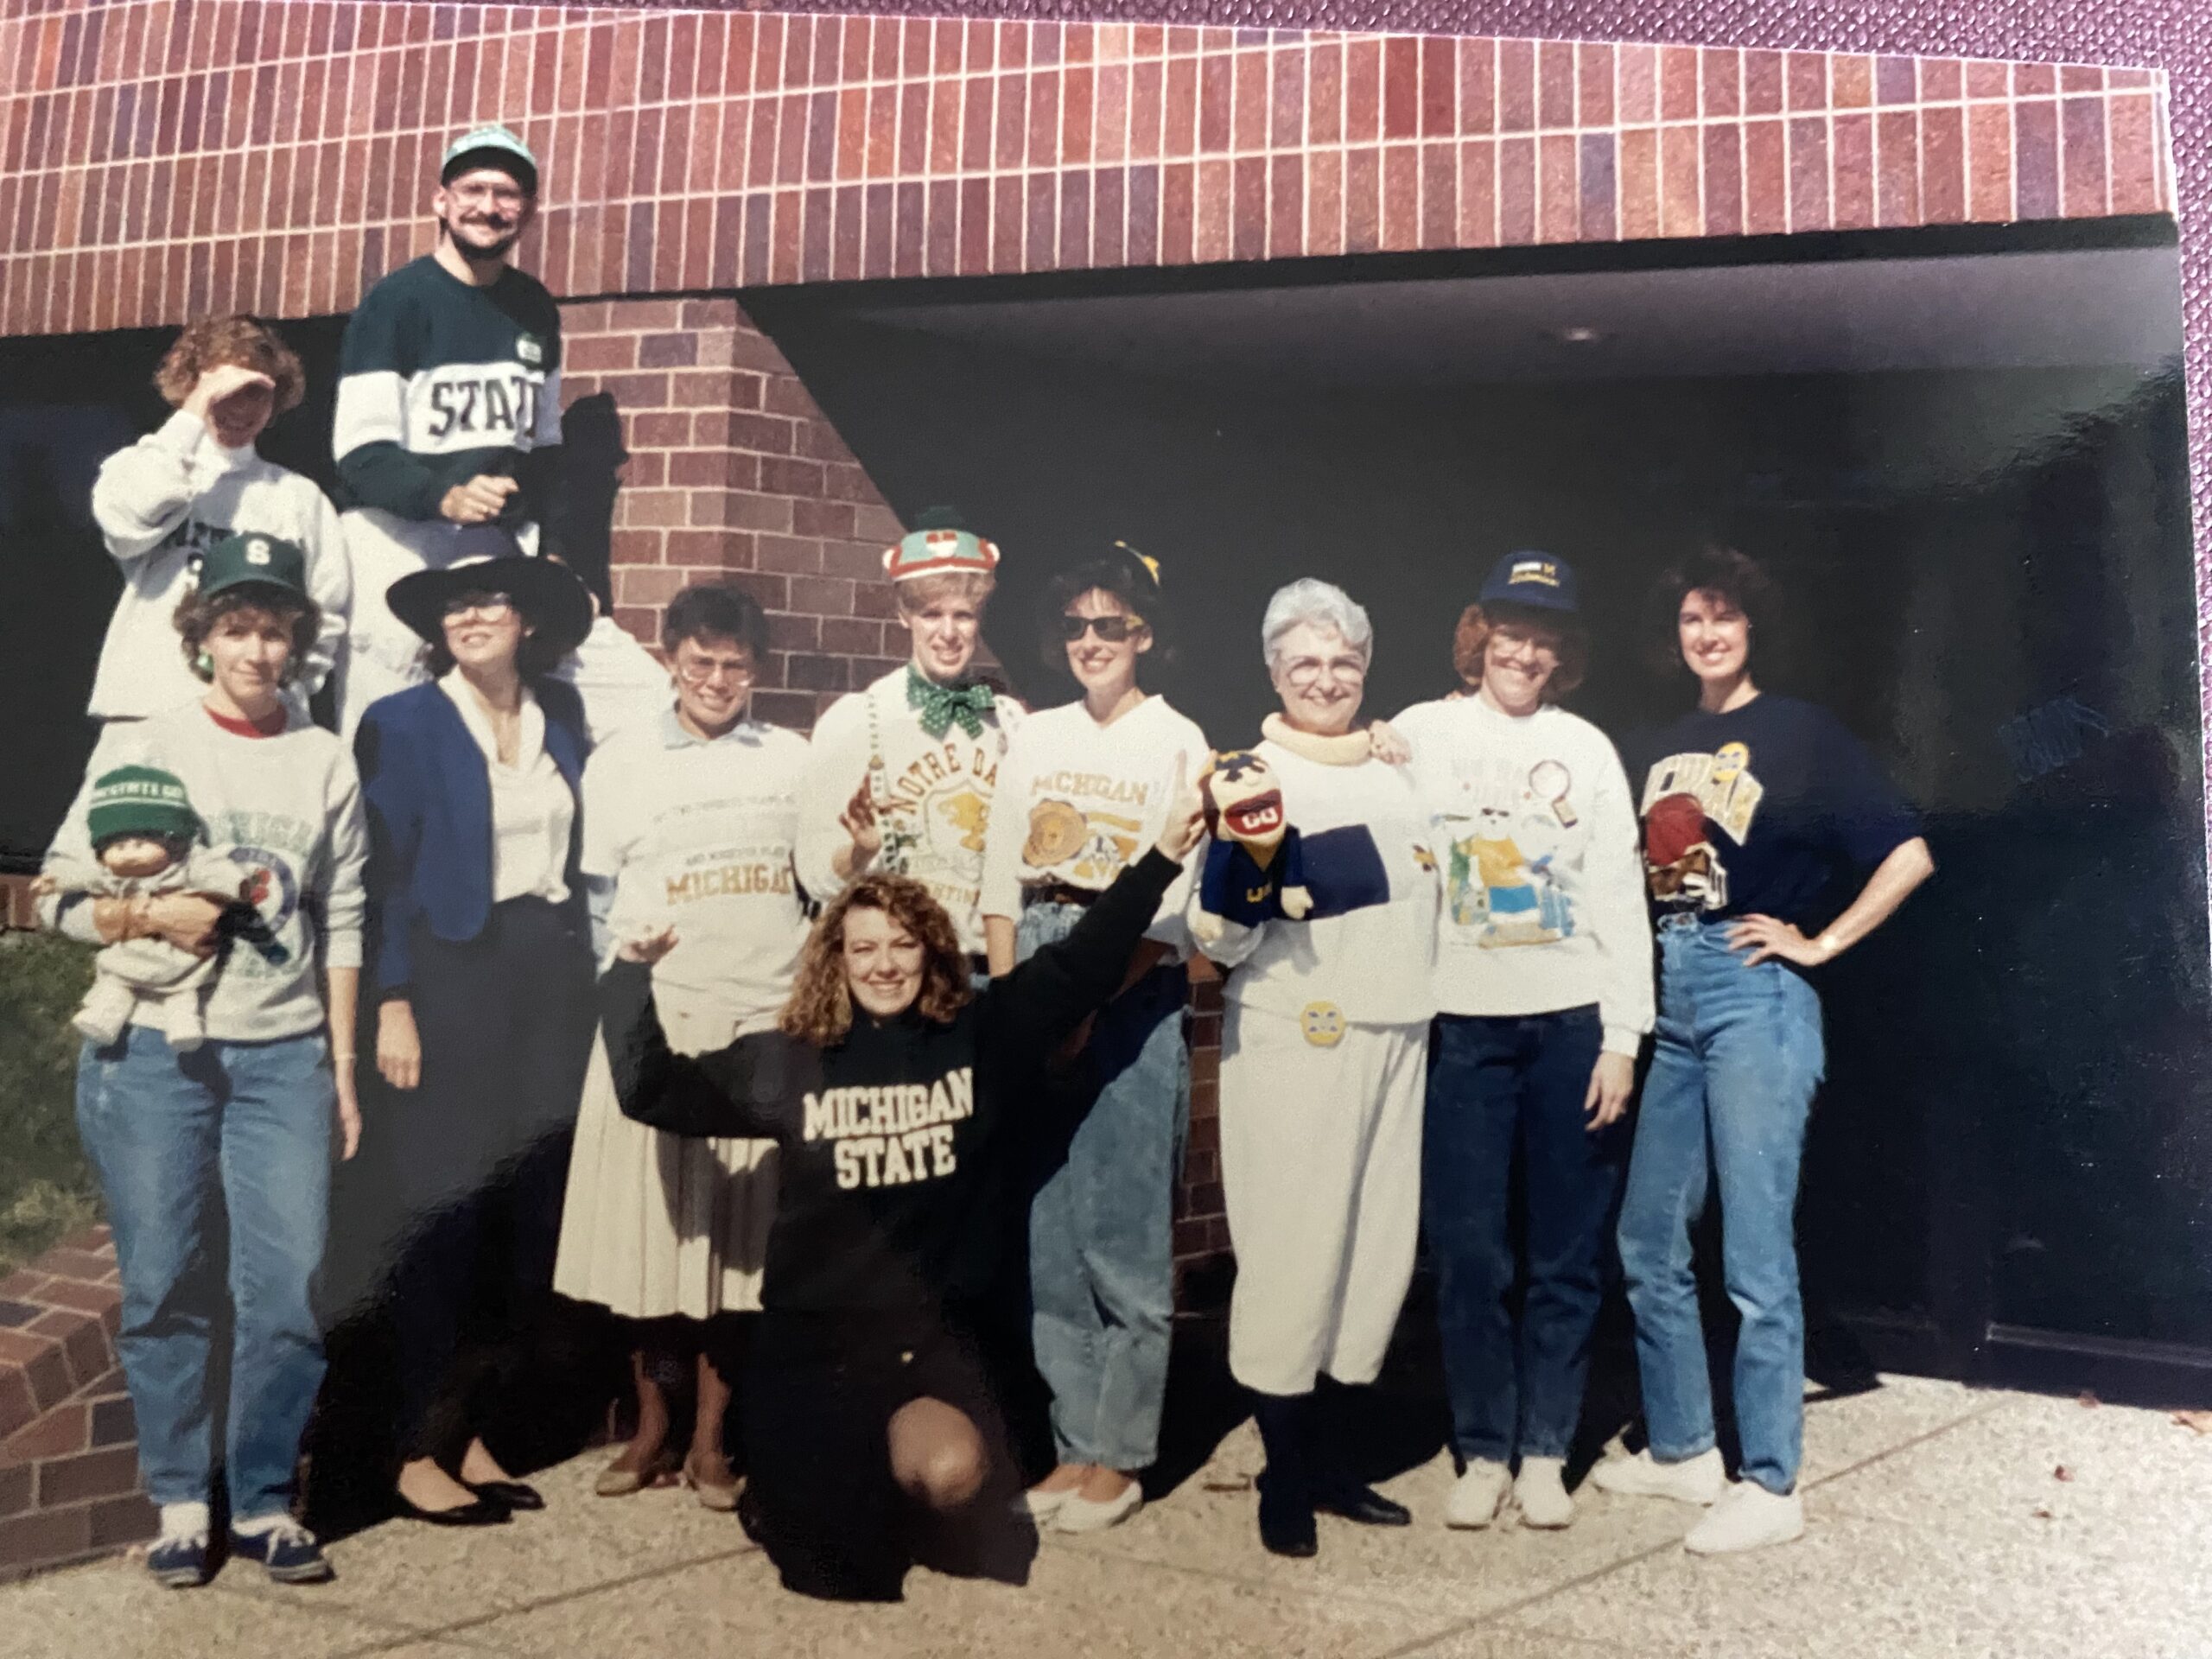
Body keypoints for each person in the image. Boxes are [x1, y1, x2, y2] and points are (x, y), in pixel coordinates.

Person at [597, 774, 1207, 1601]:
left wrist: (1164, 854)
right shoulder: (792, 1061)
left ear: (930, 949)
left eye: (902, 945)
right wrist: (630, 976)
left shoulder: (979, 1038)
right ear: (837, 959)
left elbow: (1082, 963)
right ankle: (810, 1481)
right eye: (864, 948)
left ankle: (892, 1481)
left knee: (953, 1479)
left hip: (931, 1344)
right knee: (832, 1564)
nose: (885, 965)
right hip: (814, 1347)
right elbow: (653, 1091)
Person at [1590, 544, 1934, 1554]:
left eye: (1725, 618)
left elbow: (1907, 853)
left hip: (1754, 994)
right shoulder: (1654, 741)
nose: (1707, 634)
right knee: (1647, 1237)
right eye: (1692, 618)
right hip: (1670, 988)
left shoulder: (1801, 733)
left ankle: (1772, 1482)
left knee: (1751, 1249)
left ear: (1753, 628)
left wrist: (1818, 942)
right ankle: (1686, 1448)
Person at [41, 532, 365, 1588]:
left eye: (275, 629)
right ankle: (182, 1499)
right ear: (202, 638)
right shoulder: (152, 742)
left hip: (283, 1057)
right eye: (236, 627)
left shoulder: (323, 757)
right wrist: (145, 909)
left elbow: (345, 916)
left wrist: (345, 1068)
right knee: (164, 1280)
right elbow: (52, 897)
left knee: (287, 1284)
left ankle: (265, 1500)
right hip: (150, 1060)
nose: (257, 649)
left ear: (297, 643)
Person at [1392, 552, 1653, 1531]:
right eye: (1510, 628)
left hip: (1569, 1023)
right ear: (1478, 635)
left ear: (1564, 651)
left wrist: (1622, 1038)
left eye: (1545, 635)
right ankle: (1482, 1449)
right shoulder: (1418, 732)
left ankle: (1546, 1451)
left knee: (1564, 1254)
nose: (1524, 650)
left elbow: (1619, 895)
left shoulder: (1584, 748)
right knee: (1468, 1252)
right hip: (1460, 1022)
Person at [1196, 577, 1440, 1559]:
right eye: (1304, 662)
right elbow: (1214, 935)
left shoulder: (1397, 769)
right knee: (1295, 1257)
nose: (1326, 679)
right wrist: (1249, 879)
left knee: (1370, 1263)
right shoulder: (1247, 775)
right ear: (1272, 672)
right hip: (1303, 1041)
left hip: (1399, 1033)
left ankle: (1334, 1462)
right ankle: (1282, 1478)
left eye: (1343, 661)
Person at [353, 553, 599, 1526]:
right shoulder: (404, 724)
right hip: (451, 978)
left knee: (520, 1218)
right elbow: (382, 879)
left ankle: (472, 1431)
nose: (467, 617)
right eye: (452, 605)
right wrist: (392, 1000)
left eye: (487, 601)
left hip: (548, 982)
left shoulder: (562, 718)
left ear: (529, 620)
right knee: (444, 1214)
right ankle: (414, 1444)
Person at [553, 583, 807, 1510]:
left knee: (737, 1257)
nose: (716, 680)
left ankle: (710, 1443)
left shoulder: (791, 759)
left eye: (735, 665)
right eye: (699, 662)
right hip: (659, 1032)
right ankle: (651, 1428)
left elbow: (818, 886)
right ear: (669, 658)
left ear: (757, 671)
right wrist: (619, 997)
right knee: (652, 1248)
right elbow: (596, 907)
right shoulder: (620, 763)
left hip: (759, 1025)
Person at [977, 543, 1208, 1533]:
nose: (1089, 643)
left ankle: (1122, 1452)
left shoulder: (1177, 739)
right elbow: (996, 876)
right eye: (1074, 626)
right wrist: (1010, 1006)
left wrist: (1079, 1008)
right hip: (1036, 954)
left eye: (1109, 626)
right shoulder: (1034, 736)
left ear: (1144, 635)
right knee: (1050, 1229)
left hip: (1127, 981)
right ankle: (1071, 1445)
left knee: (1119, 1223)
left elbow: (1175, 909)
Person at [331, 123, 664, 746]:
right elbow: (360, 451)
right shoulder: (397, 302)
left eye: (507, 194)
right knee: (387, 727)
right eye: (474, 189)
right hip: (396, 538)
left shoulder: (533, 306)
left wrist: (561, 561)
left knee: (633, 693)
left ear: (529, 211)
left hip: (495, 542)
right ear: (442, 201)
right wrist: (443, 495)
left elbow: (544, 452)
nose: (489, 207)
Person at [88, 315, 349, 726]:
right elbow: (129, 521)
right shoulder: (141, 467)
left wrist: (283, 690)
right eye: (225, 392)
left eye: (255, 393)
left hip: (254, 718)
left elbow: (324, 614)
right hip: (147, 708)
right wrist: (196, 407)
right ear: (192, 386)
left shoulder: (299, 497)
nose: (239, 408)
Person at [796, 511, 1021, 964]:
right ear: (904, 615)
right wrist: (861, 852)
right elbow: (815, 874)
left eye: (964, 615)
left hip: (983, 968)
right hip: (893, 972)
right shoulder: (859, 720)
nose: (948, 633)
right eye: (931, 614)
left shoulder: (1009, 722)